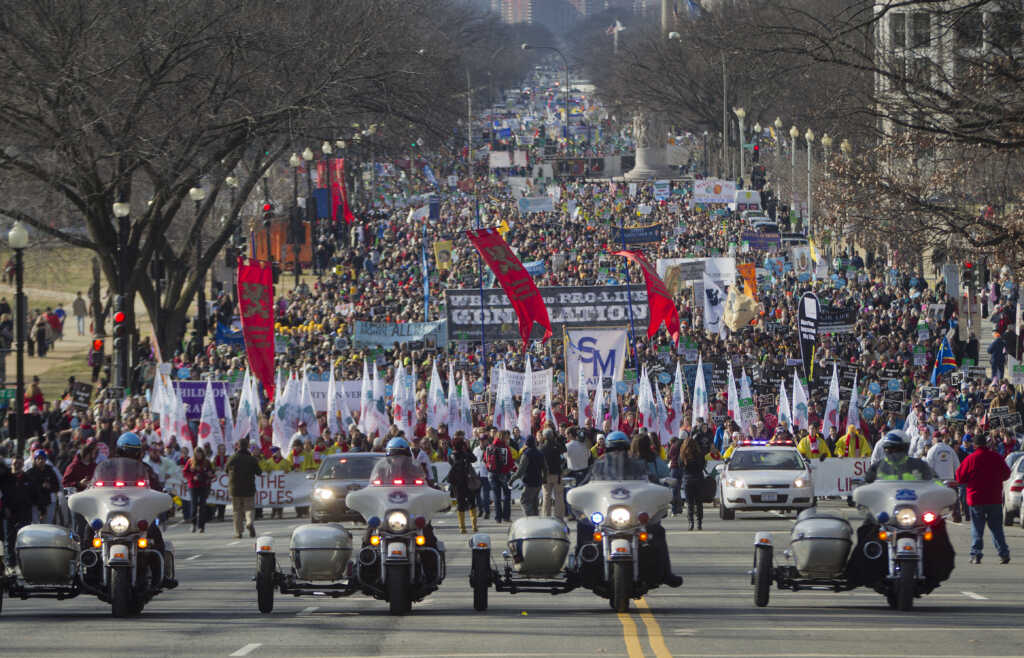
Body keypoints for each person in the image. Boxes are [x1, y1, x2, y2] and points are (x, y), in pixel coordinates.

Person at [578, 431, 682, 588]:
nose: (617, 453)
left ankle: (666, 573)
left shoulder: (638, 465)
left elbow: (651, 481)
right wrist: (578, 491)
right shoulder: (598, 465)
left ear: (627, 448)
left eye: (621, 449)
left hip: (632, 514)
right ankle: (580, 567)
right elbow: (585, 484)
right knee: (584, 526)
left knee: (657, 531)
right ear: (607, 449)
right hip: (606, 516)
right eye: (614, 449)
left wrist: (661, 488)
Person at [955, 434, 1012, 564]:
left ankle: (976, 554)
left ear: (975, 445)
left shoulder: (971, 459)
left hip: (976, 499)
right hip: (994, 498)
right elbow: (1007, 473)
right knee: (997, 528)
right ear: (986, 444)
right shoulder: (996, 457)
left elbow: (960, 477)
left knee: (977, 528)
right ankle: (1003, 553)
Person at [864, 430, 935, 483]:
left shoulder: (919, 465)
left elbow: (936, 481)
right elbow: (867, 486)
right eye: (888, 449)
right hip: (886, 501)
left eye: (896, 449)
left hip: (913, 501)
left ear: (905, 448)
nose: (893, 453)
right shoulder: (876, 467)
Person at [226, 438, 263, 538]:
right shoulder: (252, 459)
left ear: (238, 446)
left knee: (237, 510)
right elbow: (259, 472)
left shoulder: (232, 458)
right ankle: (249, 522)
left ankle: (239, 532)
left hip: (235, 489)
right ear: (248, 446)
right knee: (249, 508)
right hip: (249, 487)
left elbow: (226, 470)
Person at [927, 434, 962, 522]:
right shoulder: (950, 449)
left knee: (934, 499)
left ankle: (934, 515)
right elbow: (957, 465)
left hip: (938, 479)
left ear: (934, 439)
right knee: (954, 497)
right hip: (950, 478)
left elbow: (929, 466)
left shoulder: (932, 450)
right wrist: (957, 477)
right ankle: (956, 514)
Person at [447, 433, 478, 533]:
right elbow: (474, 459)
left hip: (457, 483)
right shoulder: (465, 454)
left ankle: (462, 527)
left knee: (460, 504)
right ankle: (474, 526)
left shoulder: (450, 456)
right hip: (467, 481)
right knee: (472, 502)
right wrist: (468, 450)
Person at [484, 429, 515, 523]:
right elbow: (510, 462)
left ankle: (498, 517)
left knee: (496, 496)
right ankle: (506, 516)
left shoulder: (489, 447)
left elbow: (485, 459)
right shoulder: (505, 448)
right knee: (507, 495)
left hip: (492, 474)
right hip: (504, 474)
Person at [184, 447, 215, 533]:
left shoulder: (207, 462)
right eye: (197, 454)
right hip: (193, 486)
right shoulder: (190, 461)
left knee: (202, 506)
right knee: (193, 505)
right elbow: (185, 472)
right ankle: (193, 523)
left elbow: (212, 471)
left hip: (204, 485)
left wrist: (210, 474)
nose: (198, 456)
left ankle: (201, 526)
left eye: (200, 454)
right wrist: (192, 477)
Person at [516, 435, 546, 517]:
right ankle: (535, 519)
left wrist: (512, 479)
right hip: (538, 481)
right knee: (534, 502)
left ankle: (529, 520)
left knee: (524, 501)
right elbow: (545, 468)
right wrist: (544, 479)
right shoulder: (540, 453)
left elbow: (520, 470)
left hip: (529, 481)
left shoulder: (526, 454)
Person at [540, 428, 565, 518]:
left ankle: (546, 516)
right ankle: (559, 516)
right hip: (557, 474)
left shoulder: (541, 448)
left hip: (546, 475)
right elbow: (564, 450)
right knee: (559, 496)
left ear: (544, 437)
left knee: (546, 496)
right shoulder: (557, 446)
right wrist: (558, 439)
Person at [472, 432, 492, 520]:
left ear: (487, 441)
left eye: (484, 440)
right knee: (477, 494)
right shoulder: (476, 450)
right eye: (481, 440)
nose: (482, 442)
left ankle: (487, 511)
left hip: (486, 474)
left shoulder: (490, 449)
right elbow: (473, 461)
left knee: (486, 494)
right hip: (477, 473)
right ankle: (480, 509)